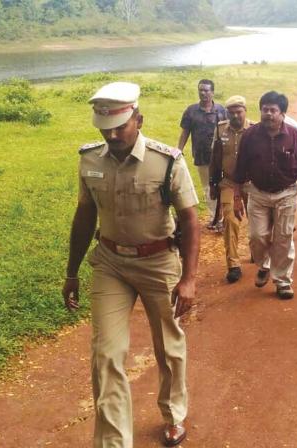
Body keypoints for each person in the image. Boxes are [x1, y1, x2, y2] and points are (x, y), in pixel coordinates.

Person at [63, 82, 200, 447]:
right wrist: (71, 272)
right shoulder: (90, 158)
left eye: (119, 126)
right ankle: (113, 441)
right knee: (105, 354)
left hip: (158, 262)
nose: (111, 134)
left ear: (138, 120)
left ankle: (173, 415)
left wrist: (189, 278)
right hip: (110, 263)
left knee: (168, 345)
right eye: (104, 127)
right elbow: (84, 216)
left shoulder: (167, 160)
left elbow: (189, 220)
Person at [232, 91, 297, 299]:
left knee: (283, 237)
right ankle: (265, 264)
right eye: (264, 109)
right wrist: (236, 197)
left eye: (273, 110)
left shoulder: (295, 136)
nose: (268, 114)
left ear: (283, 114)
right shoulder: (250, 136)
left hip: (286, 193)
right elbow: (240, 167)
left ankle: (283, 281)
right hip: (258, 193)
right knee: (256, 236)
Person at [209, 95, 254, 283]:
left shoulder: (255, 130)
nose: (235, 115)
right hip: (228, 182)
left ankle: (257, 251)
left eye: (239, 112)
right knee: (230, 220)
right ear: (227, 113)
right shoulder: (220, 130)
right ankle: (233, 264)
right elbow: (215, 157)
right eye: (232, 112)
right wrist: (213, 183)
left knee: (258, 221)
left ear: (245, 111)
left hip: (252, 183)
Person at [178, 79, 227, 231]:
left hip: (220, 157)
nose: (203, 93)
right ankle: (215, 218)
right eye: (201, 90)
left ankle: (224, 216)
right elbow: (185, 132)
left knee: (223, 186)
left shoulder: (221, 111)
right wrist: (178, 150)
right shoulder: (191, 111)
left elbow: (228, 131)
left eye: (206, 90)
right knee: (208, 187)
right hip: (201, 156)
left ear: (212, 92)